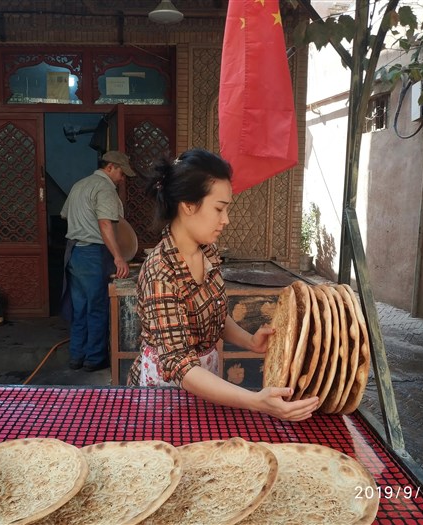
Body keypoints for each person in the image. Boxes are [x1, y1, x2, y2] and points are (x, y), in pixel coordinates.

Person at [127, 149, 319, 421]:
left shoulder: (208, 252)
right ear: (188, 205)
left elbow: (214, 313)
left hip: (207, 381)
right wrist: (255, 401)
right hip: (166, 393)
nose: (225, 219)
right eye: (219, 208)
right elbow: (180, 365)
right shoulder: (160, 273)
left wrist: (250, 341)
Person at [60, 151, 135, 372]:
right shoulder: (105, 188)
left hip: (74, 252)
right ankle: (94, 359)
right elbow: (105, 224)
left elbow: (65, 214)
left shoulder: (79, 185)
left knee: (80, 307)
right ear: (110, 167)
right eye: (121, 173)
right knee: (97, 307)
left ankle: (77, 356)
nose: (122, 179)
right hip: (93, 253)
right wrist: (118, 257)